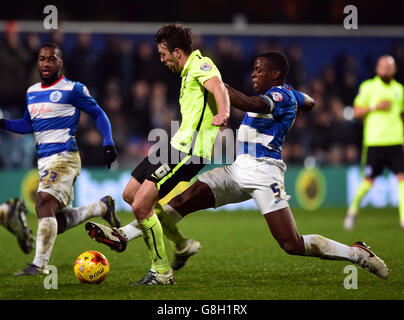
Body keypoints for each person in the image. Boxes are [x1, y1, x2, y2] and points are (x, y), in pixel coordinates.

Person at [87, 51, 389, 280]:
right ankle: (122, 235)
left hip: (264, 173)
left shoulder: (279, 95)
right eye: (254, 69)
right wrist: (304, 101)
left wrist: (216, 84)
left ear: (277, 73)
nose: (254, 74)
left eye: (260, 70)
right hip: (236, 169)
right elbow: (307, 101)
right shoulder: (289, 95)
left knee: (291, 243)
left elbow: (248, 103)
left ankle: (356, 253)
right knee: (180, 202)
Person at [86, 23, 230, 285]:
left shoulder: (201, 64)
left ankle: (161, 271)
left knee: (142, 206)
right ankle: (182, 244)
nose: (162, 60)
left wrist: (223, 112)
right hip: (173, 145)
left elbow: (218, 88)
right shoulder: (187, 73)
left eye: (163, 54)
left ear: (177, 51)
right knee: (130, 194)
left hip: (189, 151)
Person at [0, 42, 120, 275]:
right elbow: (28, 124)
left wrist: (108, 142)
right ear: (38, 62)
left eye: (51, 59)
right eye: (42, 59)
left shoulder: (73, 89)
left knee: (43, 202)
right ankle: (101, 207)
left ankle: (39, 265)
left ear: (60, 62)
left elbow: (99, 113)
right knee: (58, 220)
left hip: (65, 157)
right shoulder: (32, 91)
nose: (46, 63)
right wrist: (3, 123)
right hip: (44, 160)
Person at [344, 55, 404, 230]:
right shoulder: (369, 87)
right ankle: (352, 210)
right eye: (383, 66)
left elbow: (400, 116)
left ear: (394, 70)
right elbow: (355, 112)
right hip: (375, 141)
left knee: (402, 179)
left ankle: (402, 220)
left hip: (394, 141)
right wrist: (375, 107)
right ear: (377, 69)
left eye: (389, 66)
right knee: (369, 180)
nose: (385, 69)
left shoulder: (399, 90)